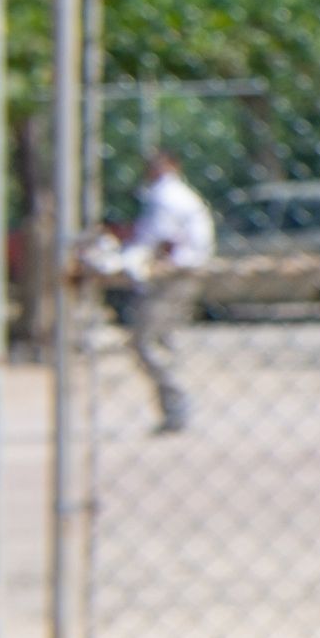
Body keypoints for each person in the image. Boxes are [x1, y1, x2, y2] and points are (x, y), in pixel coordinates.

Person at [105, 147, 214, 435]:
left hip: (172, 276)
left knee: (145, 341)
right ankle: (174, 407)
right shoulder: (172, 195)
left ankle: (177, 403)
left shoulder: (166, 196)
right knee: (163, 341)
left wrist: (125, 260)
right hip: (176, 273)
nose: (151, 170)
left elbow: (157, 239)